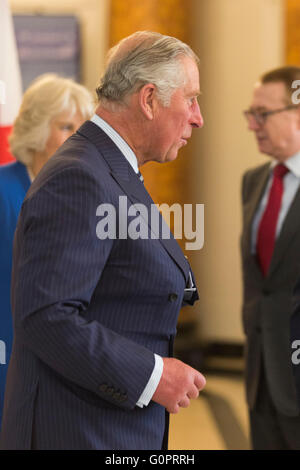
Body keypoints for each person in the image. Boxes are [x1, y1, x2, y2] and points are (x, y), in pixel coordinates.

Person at [0, 31, 206, 450]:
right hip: (79, 432)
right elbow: (47, 316)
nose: (198, 117)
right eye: (191, 99)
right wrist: (153, 376)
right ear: (149, 99)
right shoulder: (81, 176)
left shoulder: (108, 166)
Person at [0, 73, 94, 427]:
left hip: (64, 364)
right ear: (38, 131)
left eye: (84, 127)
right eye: (66, 126)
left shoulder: (83, 193)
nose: (78, 138)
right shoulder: (3, 190)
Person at [241, 66, 300, 450]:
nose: (253, 125)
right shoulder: (253, 180)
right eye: (251, 114)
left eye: (263, 114)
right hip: (260, 373)